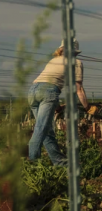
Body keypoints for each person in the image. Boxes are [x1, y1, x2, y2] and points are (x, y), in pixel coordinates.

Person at [28, 38, 97, 166]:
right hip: (48, 92)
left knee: (47, 131)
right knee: (40, 129)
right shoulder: (76, 63)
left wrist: (57, 106)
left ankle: (60, 163)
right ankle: (32, 165)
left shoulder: (53, 61)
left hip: (33, 91)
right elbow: (79, 89)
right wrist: (88, 107)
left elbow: (48, 82)